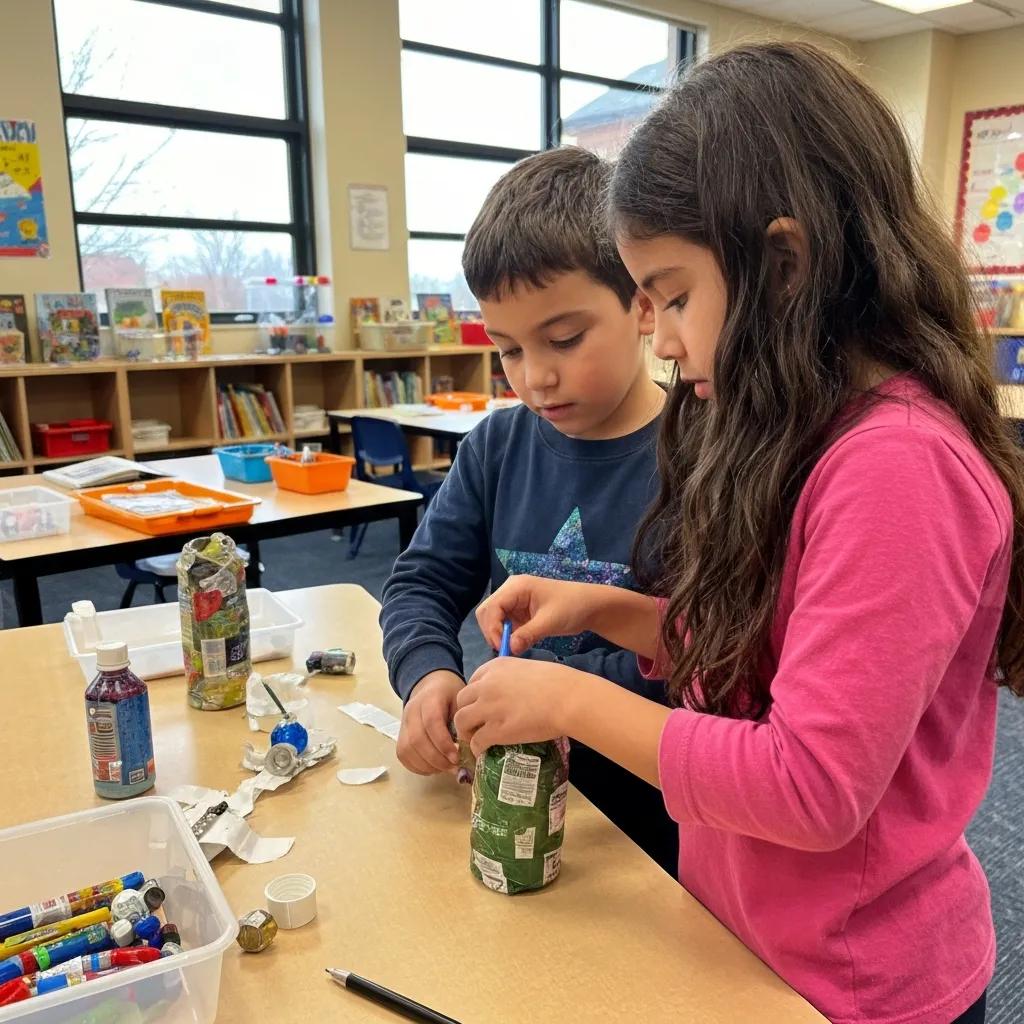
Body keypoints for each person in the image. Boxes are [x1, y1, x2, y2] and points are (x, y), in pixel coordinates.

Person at [455, 43, 1024, 1024]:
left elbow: (810, 785)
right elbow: (765, 663)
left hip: (854, 986)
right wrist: (619, 613)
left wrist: (568, 699)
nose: (661, 336)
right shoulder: (795, 430)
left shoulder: (894, 464)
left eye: (674, 294)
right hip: (746, 940)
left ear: (785, 265)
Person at [381, 146, 678, 874]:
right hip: (509, 789)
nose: (535, 377)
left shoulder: (702, 456)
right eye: (508, 349)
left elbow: (707, 657)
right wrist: (428, 676)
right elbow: (421, 583)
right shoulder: (497, 447)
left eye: (566, 339)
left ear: (641, 305)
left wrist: (558, 697)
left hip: (648, 821)